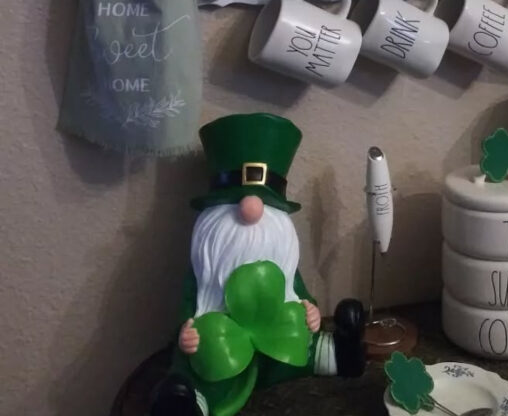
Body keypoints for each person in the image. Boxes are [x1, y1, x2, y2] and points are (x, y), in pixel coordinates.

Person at [150, 113, 365, 416]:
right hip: (221, 350)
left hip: (280, 346)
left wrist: (311, 311)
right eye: (236, 200)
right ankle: (187, 401)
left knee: (303, 343)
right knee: (199, 364)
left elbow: (297, 292)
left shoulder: (281, 257)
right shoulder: (207, 267)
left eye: (263, 201)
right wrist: (187, 332)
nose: (251, 210)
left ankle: (342, 352)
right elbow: (190, 304)